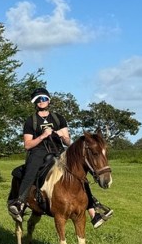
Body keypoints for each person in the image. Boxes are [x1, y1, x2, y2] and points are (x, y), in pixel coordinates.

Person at [8, 88, 114, 227]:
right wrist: (42, 136)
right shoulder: (31, 121)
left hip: (59, 151)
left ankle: (94, 211)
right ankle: (20, 202)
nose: (42, 101)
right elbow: (27, 145)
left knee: (79, 174)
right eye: (38, 99)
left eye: (44, 99)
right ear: (35, 103)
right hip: (38, 152)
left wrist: (62, 136)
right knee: (31, 170)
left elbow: (68, 142)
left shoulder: (58, 118)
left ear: (49, 100)